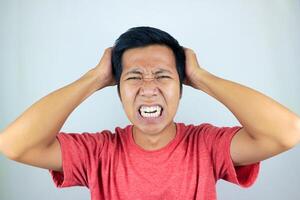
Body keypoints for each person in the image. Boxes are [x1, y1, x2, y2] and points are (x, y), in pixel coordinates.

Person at [0, 26, 299, 200]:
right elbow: (13, 145)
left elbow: (288, 132)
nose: (148, 87)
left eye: (162, 75)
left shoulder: (205, 145)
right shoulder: (98, 151)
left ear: (182, 86)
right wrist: (93, 78)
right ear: (116, 89)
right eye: (133, 77)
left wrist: (201, 77)